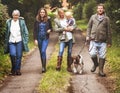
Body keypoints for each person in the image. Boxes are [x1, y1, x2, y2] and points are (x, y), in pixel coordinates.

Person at [86, 3, 112, 77]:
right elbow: (89, 27)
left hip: (103, 40)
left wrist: (109, 42)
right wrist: (88, 36)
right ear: (97, 10)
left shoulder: (106, 19)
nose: (100, 9)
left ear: (103, 9)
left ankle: (101, 70)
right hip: (93, 39)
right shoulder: (93, 17)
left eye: (101, 8)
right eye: (99, 8)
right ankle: (95, 64)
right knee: (92, 54)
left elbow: (109, 31)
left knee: (102, 56)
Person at [4, 9, 29, 76]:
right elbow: (6, 32)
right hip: (11, 41)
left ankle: (17, 70)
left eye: (17, 15)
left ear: (19, 15)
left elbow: (26, 32)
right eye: (14, 15)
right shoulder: (8, 22)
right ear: (12, 15)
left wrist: (26, 41)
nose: (15, 16)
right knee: (12, 54)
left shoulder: (22, 22)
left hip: (19, 40)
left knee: (19, 56)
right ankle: (14, 68)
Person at [33, 8, 52, 73]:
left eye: (43, 12)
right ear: (39, 13)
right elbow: (34, 30)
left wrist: (50, 30)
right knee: (41, 52)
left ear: (45, 13)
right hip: (39, 38)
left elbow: (51, 28)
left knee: (43, 51)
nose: (42, 13)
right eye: (41, 12)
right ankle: (43, 66)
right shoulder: (36, 20)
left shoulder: (48, 19)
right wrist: (35, 39)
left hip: (45, 38)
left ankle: (44, 68)